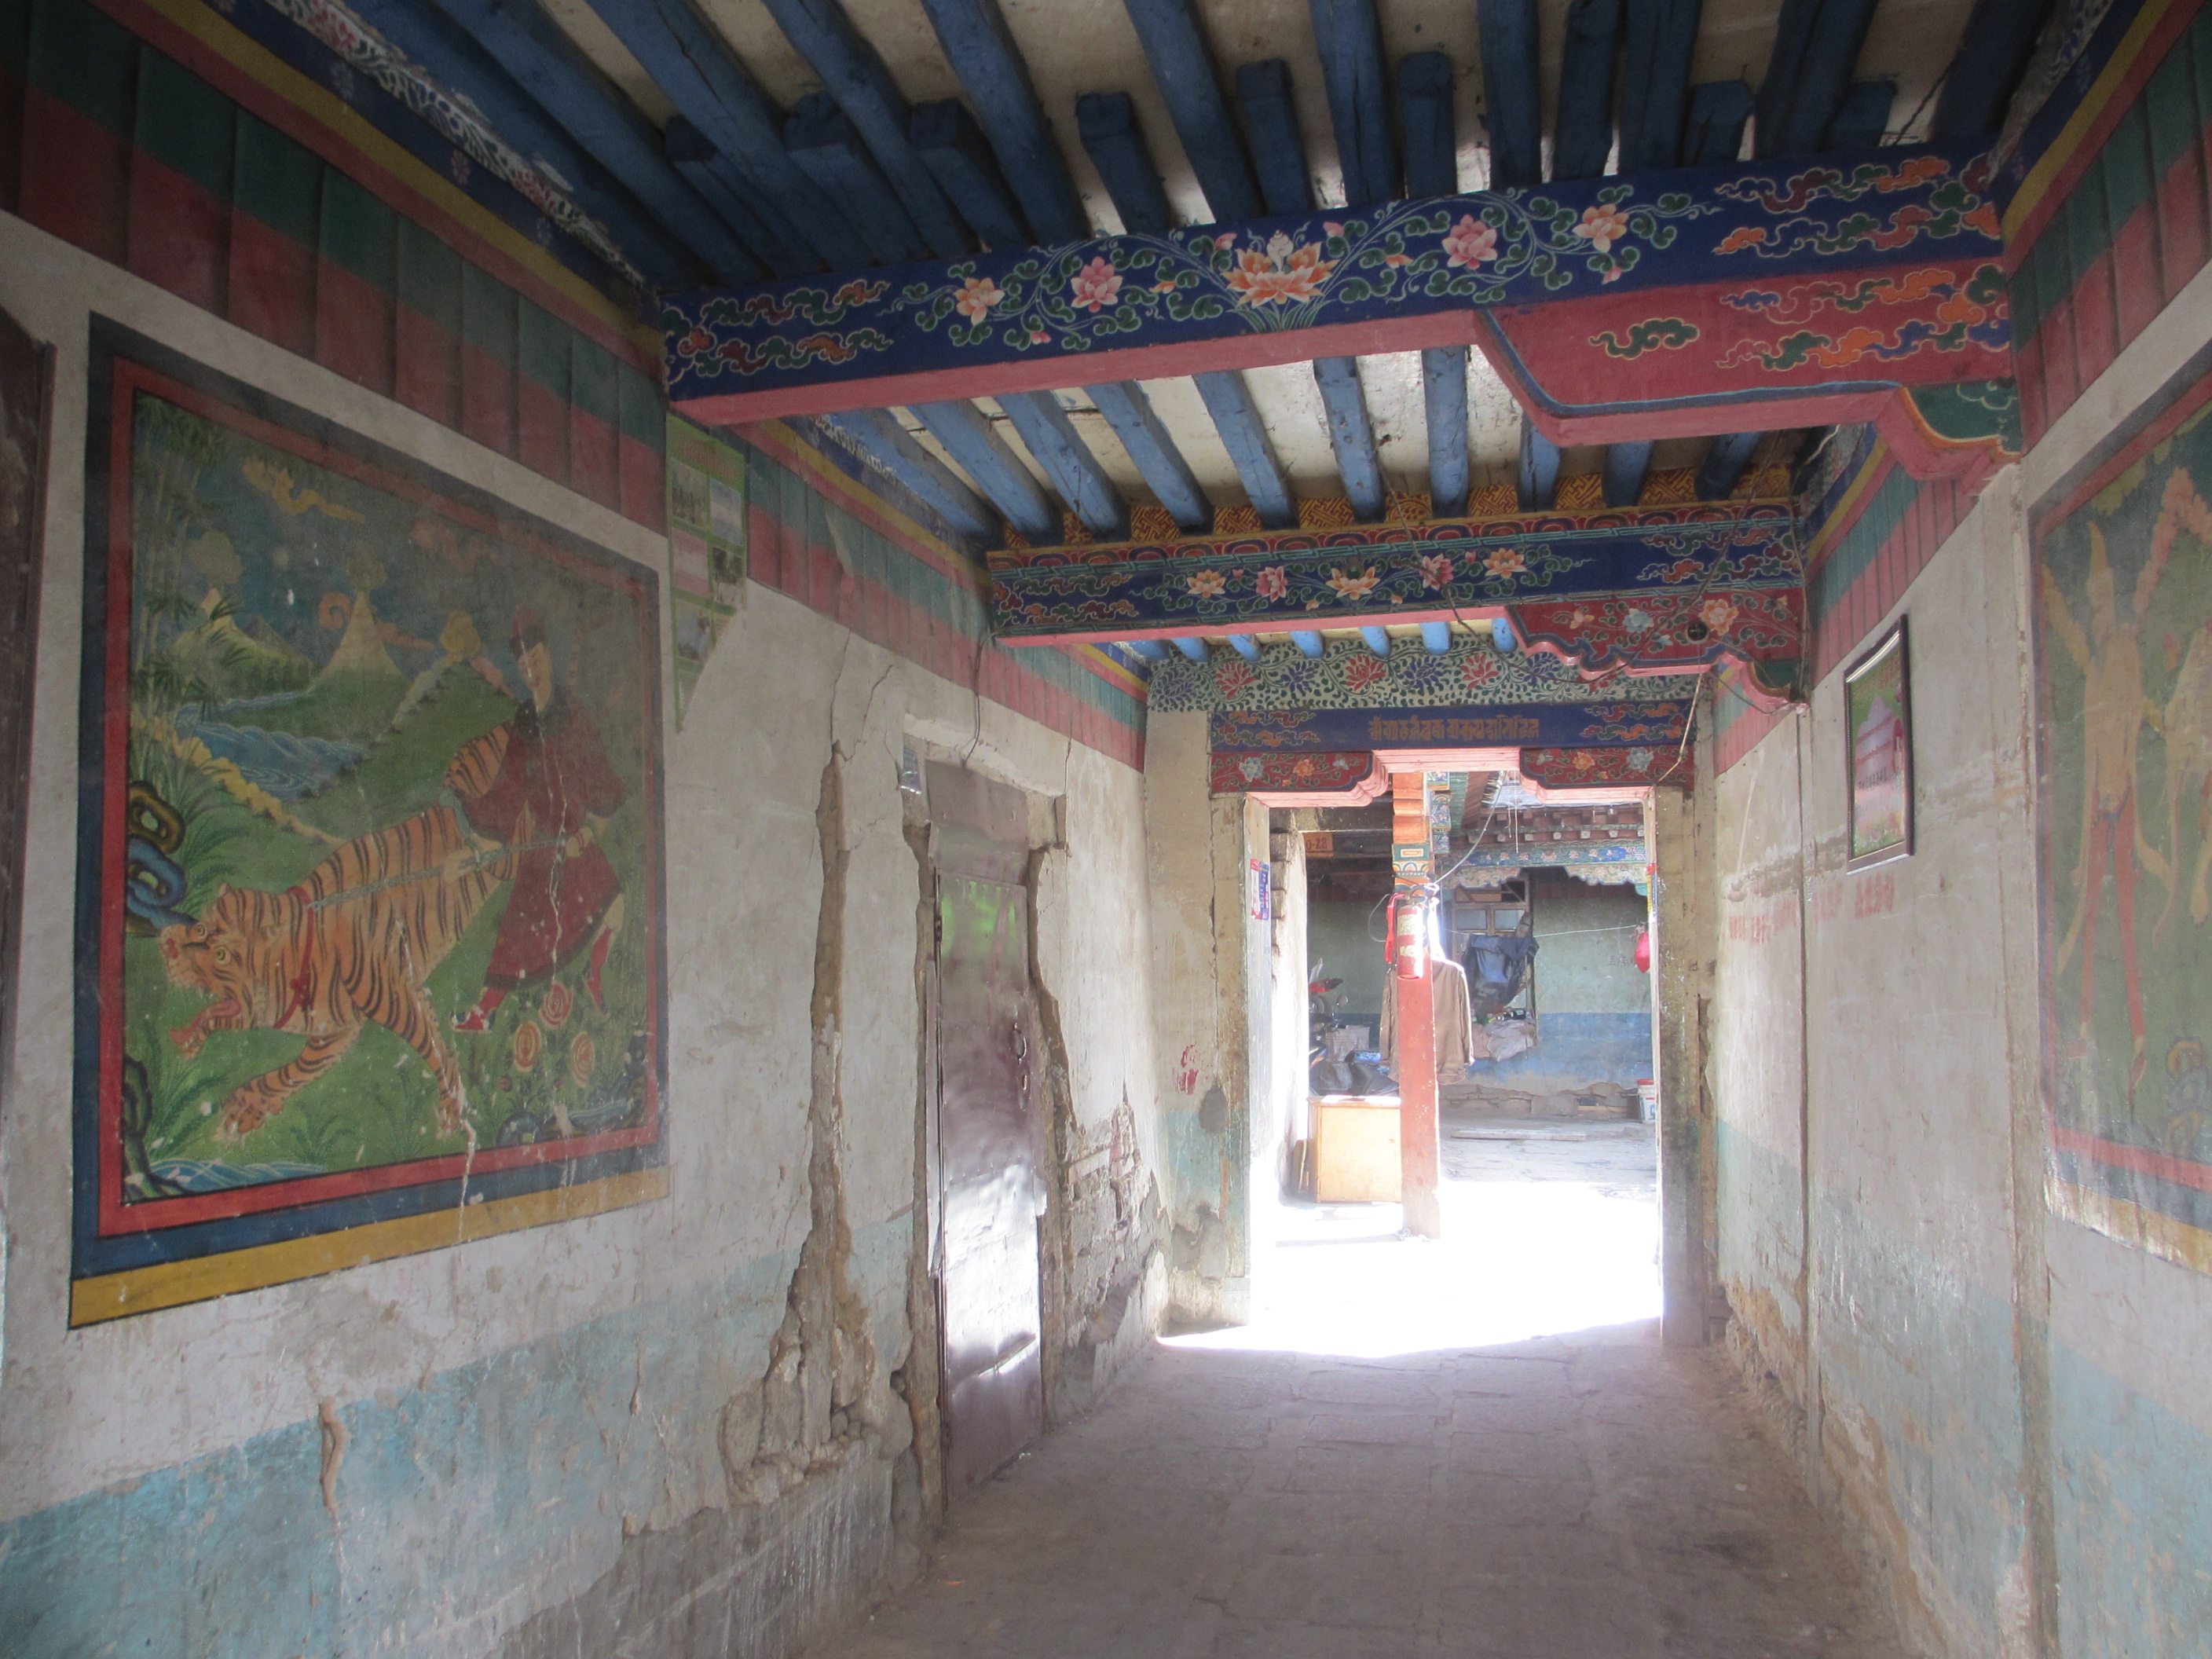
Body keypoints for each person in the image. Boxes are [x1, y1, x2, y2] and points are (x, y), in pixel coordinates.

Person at [444, 609, 626, 1032]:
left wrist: (587, 833)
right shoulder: (523, 725)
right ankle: (484, 1013)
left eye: (537, 661)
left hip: (576, 841)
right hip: (543, 848)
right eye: (524, 666)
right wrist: (475, 852)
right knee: (519, 933)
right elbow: (505, 799)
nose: (532, 672)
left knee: (616, 908)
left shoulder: (576, 715)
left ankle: (594, 975)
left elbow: (600, 782)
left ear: (549, 658)